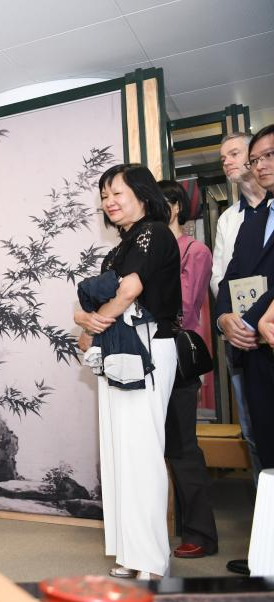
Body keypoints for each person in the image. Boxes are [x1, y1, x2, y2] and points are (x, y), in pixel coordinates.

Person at [75, 164, 180, 580]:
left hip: (149, 346)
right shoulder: (119, 248)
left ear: (142, 194)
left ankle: (151, 558)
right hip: (119, 349)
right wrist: (87, 322)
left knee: (142, 452)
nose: (109, 202)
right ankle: (130, 552)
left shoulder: (153, 232)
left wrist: (91, 322)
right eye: (104, 196)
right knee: (120, 451)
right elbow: (102, 304)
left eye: (117, 193)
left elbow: (130, 291)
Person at [215, 124, 274, 575]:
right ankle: (268, 555)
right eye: (257, 159)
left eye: (268, 155)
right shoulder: (250, 219)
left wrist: (253, 319)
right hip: (254, 354)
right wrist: (225, 320)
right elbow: (228, 280)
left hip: (264, 336)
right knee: (266, 448)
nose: (260, 165)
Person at [157, 180, 217, 560]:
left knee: (182, 448)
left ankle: (201, 533)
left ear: (177, 206)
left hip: (179, 359)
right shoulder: (150, 250)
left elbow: (185, 305)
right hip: (148, 358)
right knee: (154, 448)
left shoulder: (195, 251)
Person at [211, 133, 268, 482]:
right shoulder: (230, 220)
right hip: (241, 339)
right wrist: (225, 319)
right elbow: (221, 278)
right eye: (223, 158)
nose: (227, 162)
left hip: (269, 330)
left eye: (234, 153)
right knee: (253, 431)